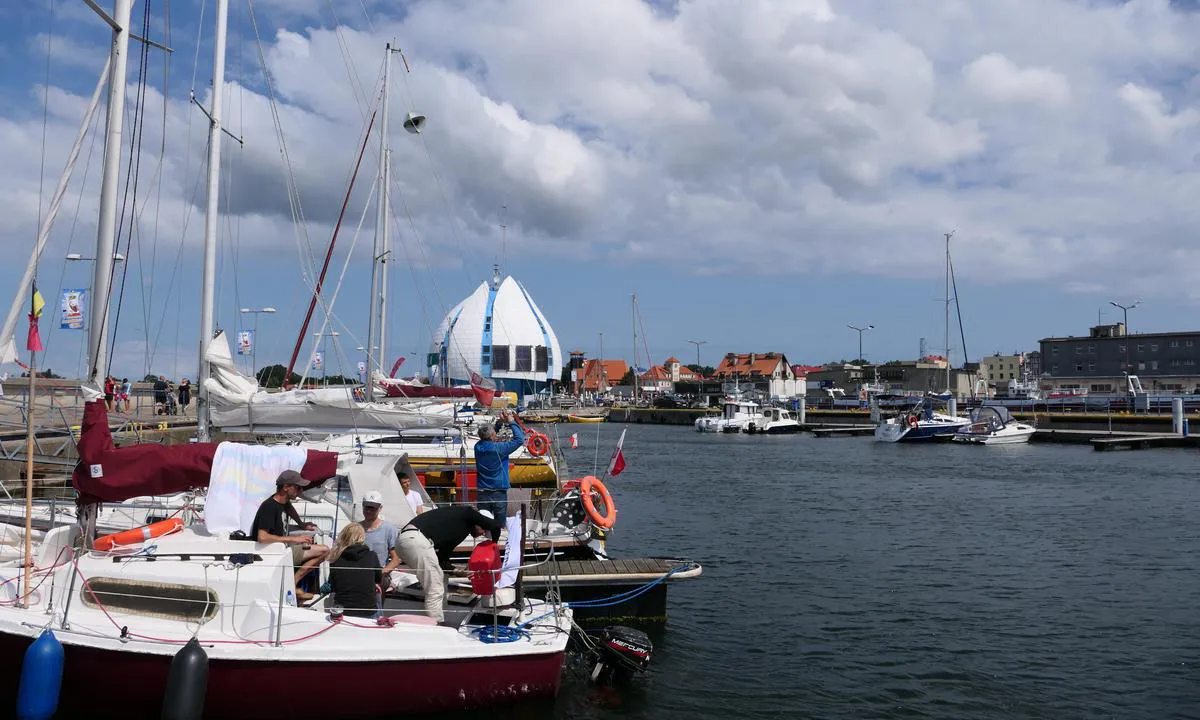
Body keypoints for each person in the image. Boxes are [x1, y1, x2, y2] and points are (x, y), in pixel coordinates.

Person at [394, 505, 502, 623]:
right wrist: (493, 548)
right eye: (484, 530)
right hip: (415, 540)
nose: (483, 534)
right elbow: (495, 526)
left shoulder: (455, 530)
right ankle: (436, 627)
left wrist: (460, 572)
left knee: (441, 577)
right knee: (435, 587)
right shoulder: (467, 513)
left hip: (404, 541)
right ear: (479, 521)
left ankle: (441, 615)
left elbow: (442, 561)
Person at [249, 470, 329, 600]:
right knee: (324, 550)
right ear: (286, 487)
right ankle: (291, 584)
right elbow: (262, 537)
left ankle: (291, 582)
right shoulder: (269, 507)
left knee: (325, 549)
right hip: (275, 554)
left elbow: (288, 507)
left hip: (284, 550)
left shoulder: (282, 502)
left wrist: (301, 524)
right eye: (297, 487)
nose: (300, 491)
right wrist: (294, 539)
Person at [473, 409, 526, 521]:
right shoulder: (500, 448)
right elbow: (520, 439)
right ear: (493, 435)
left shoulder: (477, 447)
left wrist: (499, 423)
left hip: (482, 490)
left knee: (483, 521)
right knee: (499, 522)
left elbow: (488, 435)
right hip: (498, 491)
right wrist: (511, 421)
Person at [328, 524, 382, 618]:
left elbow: (334, 587)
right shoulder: (372, 555)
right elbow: (378, 579)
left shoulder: (335, 559)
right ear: (362, 537)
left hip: (343, 611)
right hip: (368, 611)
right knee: (377, 594)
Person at [358, 490, 403, 590]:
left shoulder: (389, 529)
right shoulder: (355, 528)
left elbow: (396, 559)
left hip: (379, 575)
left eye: (373, 508)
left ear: (380, 508)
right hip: (358, 573)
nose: (369, 511)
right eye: (367, 507)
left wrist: (380, 573)